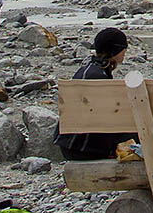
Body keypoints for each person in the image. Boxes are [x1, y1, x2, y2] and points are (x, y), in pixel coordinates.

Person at [54, 28, 135, 161]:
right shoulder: (98, 77)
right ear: (115, 50)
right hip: (83, 148)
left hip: (69, 145)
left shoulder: (87, 69)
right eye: (124, 49)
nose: (125, 52)